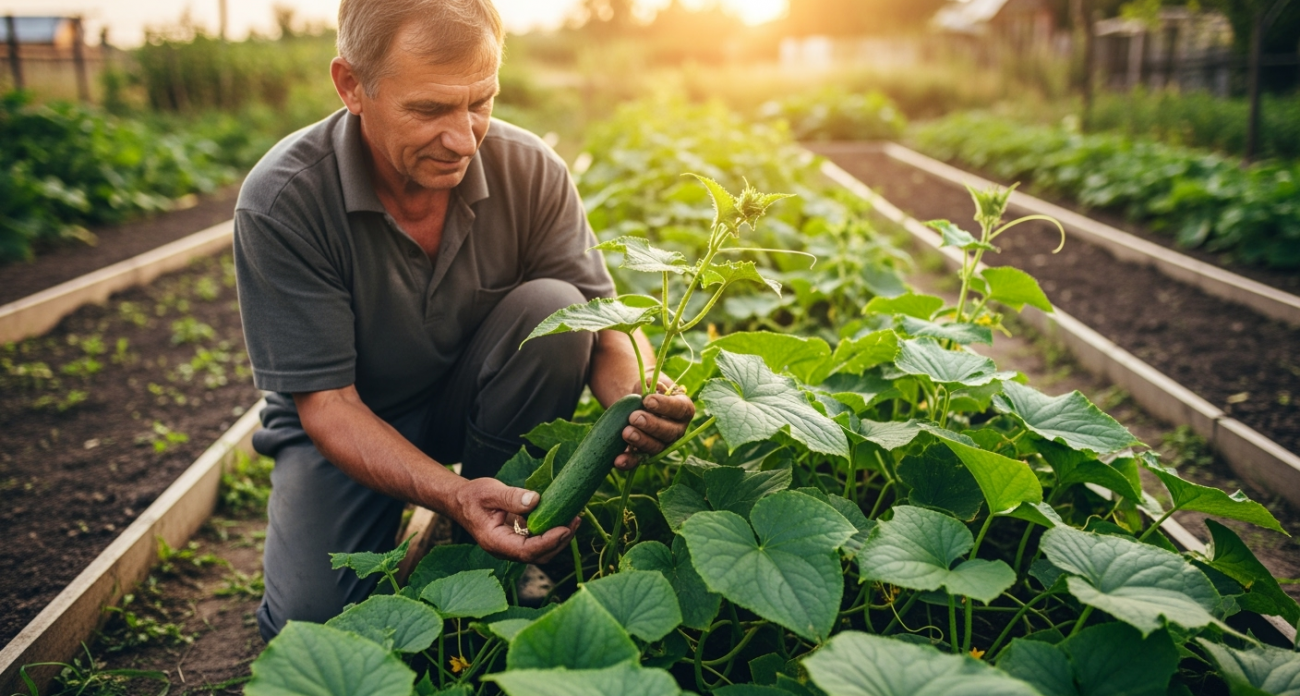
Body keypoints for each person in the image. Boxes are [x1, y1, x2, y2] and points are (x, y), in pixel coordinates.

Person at [233, 0, 695, 641]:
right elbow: (328, 403)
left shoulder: (529, 168)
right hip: (350, 423)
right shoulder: (285, 198)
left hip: (479, 399)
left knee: (559, 308)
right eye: (428, 110)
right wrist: (449, 493)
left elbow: (606, 323)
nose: (462, 138)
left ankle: (496, 525)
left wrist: (636, 401)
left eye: (480, 102)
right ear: (351, 86)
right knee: (310, 630)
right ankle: (463, 510)